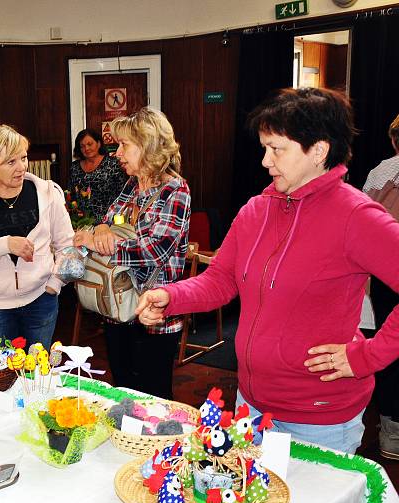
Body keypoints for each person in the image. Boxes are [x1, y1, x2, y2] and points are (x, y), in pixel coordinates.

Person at [136, 88, 399, 455]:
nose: (265, 160)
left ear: (319, 151)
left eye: (277, 149)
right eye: (264, 148)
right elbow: (221, 279)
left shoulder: (355, 216)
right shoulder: (256, 211)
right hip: (252, 405)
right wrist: (171, 297)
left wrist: (367, 357)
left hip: (318, 419)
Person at [73, 109, 191, 399]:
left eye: (125, 145)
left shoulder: (175, 190)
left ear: (149, 146)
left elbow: (155, 249)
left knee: (153, 398)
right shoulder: (131, 185)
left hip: (155, 315)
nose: (117, 154)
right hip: (117, 311)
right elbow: (109, 222)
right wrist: (99, 230)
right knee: (124, 392)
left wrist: (107, 243)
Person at [0, 124, 74, 348]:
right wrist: (4, 245)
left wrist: (55, 284)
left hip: (42, 300)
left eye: (23, 158)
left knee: (37, 378)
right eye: (11, 162)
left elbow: (68, 246)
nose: (21, 167)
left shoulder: (48, 193)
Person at [363, 113, 399, 459]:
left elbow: (360, 223)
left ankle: (390, 430)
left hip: (387, 276)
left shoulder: (380, 174)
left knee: (389, 349)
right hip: (390, 274)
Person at [68, 128, 128, 224]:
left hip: (109, 220)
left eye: (89, 144)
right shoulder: (74, 167)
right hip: (83, 222)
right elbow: (71, 195)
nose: (86, 148)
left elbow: (122, 193)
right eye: (82, 146)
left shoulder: (113, 164)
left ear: (99, 144)